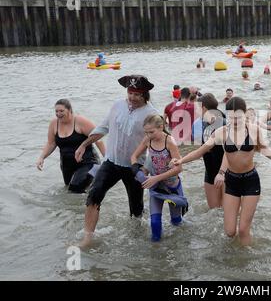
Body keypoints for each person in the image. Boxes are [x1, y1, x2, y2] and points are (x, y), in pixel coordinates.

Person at [172, 97, 271, 245]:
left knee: (244, 230)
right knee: (230, 231)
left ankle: (246, 261)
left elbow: (268, 151)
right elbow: (200, 151)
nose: (234, 121)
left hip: (250, 181)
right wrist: (180, 160)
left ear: (244, 114)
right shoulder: (222, 132)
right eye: (231, 117)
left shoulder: (254, 130)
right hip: (231, 181)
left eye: (238, 117)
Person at [75, 75, 158, 248]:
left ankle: (137, 239)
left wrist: (147, 168)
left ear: (145, 94)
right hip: (111, 162)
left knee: (136, 210)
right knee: (94, 194)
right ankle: (88, 237)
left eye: (137, 94)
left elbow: (157, 144)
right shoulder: (117, 106)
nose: (132, 97)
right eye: (130, 92)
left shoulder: (152, 115)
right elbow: (103, 128)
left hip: (134, 167)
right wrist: (84, 144)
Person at [130, 115, 186, 242]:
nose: (149, 135)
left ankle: (177, 246)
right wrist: (137, 172)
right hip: (156, 188)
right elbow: (134, 156)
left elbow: (178, 169)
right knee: (155, 225)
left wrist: (155, 178)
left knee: (176, 223)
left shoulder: (170, 142)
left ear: (161, 127)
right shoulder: (147, 140)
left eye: (151, 132)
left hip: (172, 187)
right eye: (146, 132)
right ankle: (156, 254)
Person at [36, 99, 105, 193]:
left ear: (69, 110)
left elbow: (99, 138)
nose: (58, 114)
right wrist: (42, 157)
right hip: (67, 165)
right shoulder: (54, 124)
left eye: (61, 111)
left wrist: (108, 159)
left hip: (89, 163)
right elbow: (51, 143)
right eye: (56, 111)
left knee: (75, 187)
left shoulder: (80, 121)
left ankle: (91, 203)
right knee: (70, 190)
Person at [196, 93, 226, 208]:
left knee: (227, 210)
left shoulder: (223, 123)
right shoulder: (204, 122)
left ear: (203, 108)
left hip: (224, 173)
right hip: (209, 171)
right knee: (213, 210)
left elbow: (231, 152)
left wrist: (222, 173)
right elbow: (204, 148)